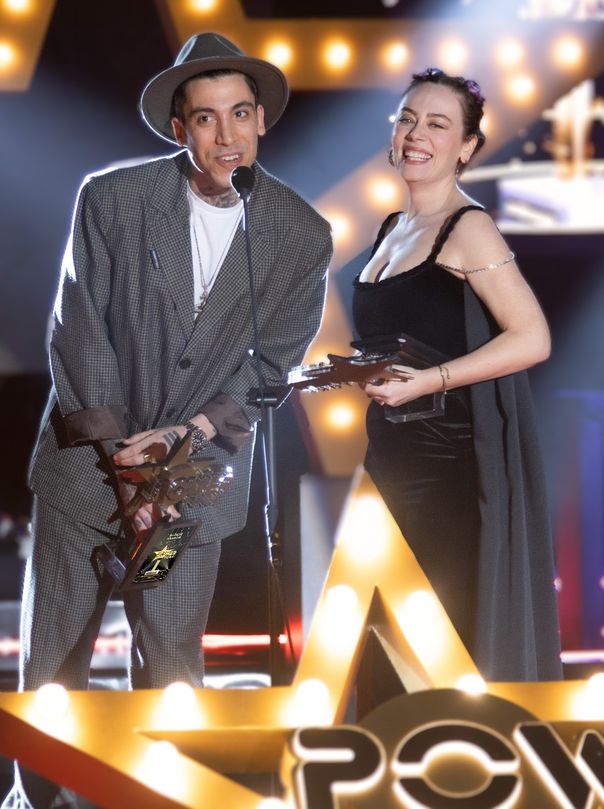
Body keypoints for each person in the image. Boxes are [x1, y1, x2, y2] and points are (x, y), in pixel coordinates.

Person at [4, 32, 332, 808]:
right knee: (54, 667)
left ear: (261, 120)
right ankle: (35, 800)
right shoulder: (113, 200)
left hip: (188, 496)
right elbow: (78, 327)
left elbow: (272, 363)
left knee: (172, 657)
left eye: (241, 114)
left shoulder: (299, 233)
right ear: (180, 128)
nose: (227, 136)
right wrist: (124, 455)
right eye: (207, 118)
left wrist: (188, 437)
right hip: (89, 480)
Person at [352, 68, 561, 682]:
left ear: (467, 147)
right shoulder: (391, 228)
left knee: (444, 649)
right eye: (407, 119)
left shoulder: (469, 227)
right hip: (389, 460)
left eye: (437, 124)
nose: (417, 134)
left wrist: (426, 381)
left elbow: (533, 337)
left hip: (447, 473)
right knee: (386, 649)